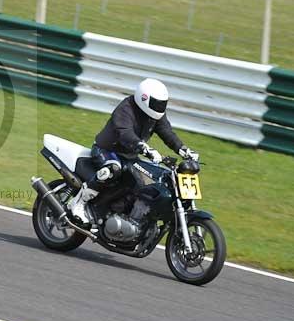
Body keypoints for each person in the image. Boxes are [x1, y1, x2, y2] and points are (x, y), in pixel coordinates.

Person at [69, 78, 199, 225]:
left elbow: (167, 132)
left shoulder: (155, 115)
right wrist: (144, 147)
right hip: (106, 150)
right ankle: (79, 202)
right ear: (144, 98)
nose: (160, 107)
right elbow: (125, 133)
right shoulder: (126, 108)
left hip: (130, 156)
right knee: (113, 169)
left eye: (162, 103)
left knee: (144, 181)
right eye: (156, 103)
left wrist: (183, 149)